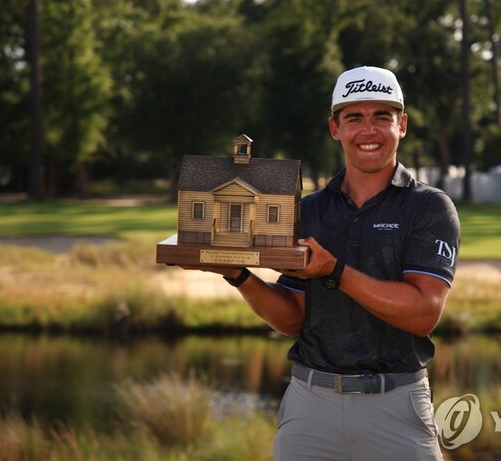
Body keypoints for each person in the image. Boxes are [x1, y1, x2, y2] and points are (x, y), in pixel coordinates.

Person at [195, 66, 460, 460]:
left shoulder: (429, 207)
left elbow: (423, 314)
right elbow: (292, 320)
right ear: (335, 128)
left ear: (402, 125)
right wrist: (238, 274)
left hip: (396, 403)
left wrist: (335, 272)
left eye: (381, 117)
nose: (367, 130)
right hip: (309, 404)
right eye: (354, 118)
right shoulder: (309, 210)